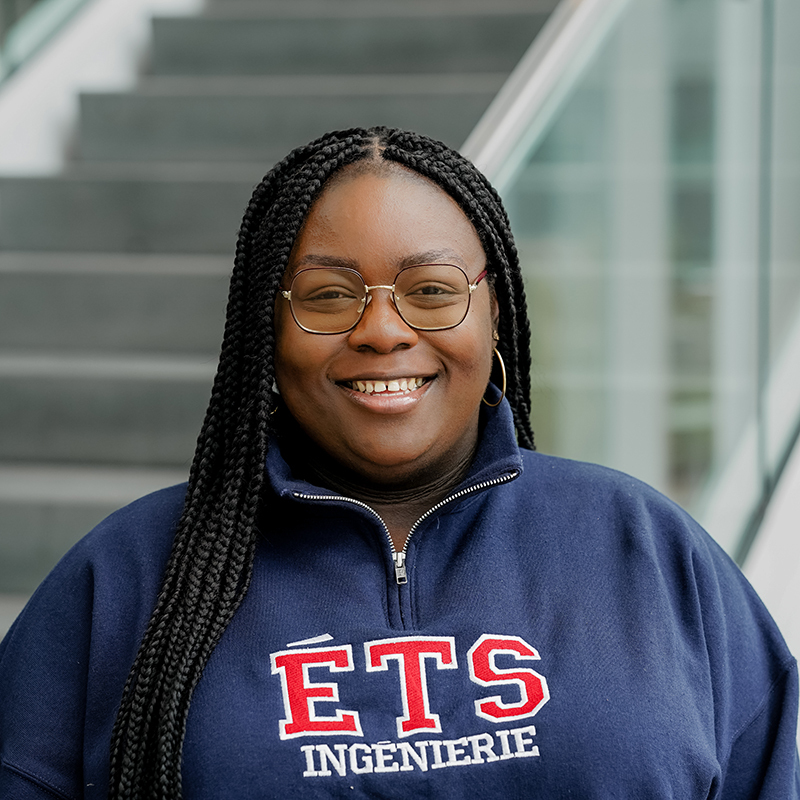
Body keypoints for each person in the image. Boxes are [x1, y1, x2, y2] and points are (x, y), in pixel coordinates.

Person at [0, 127, 798, 800]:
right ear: (263, 331)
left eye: (430, 289)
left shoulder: (642, 545)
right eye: (326, 295)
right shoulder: (131, 575)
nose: (382, 330)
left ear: (494, 311)